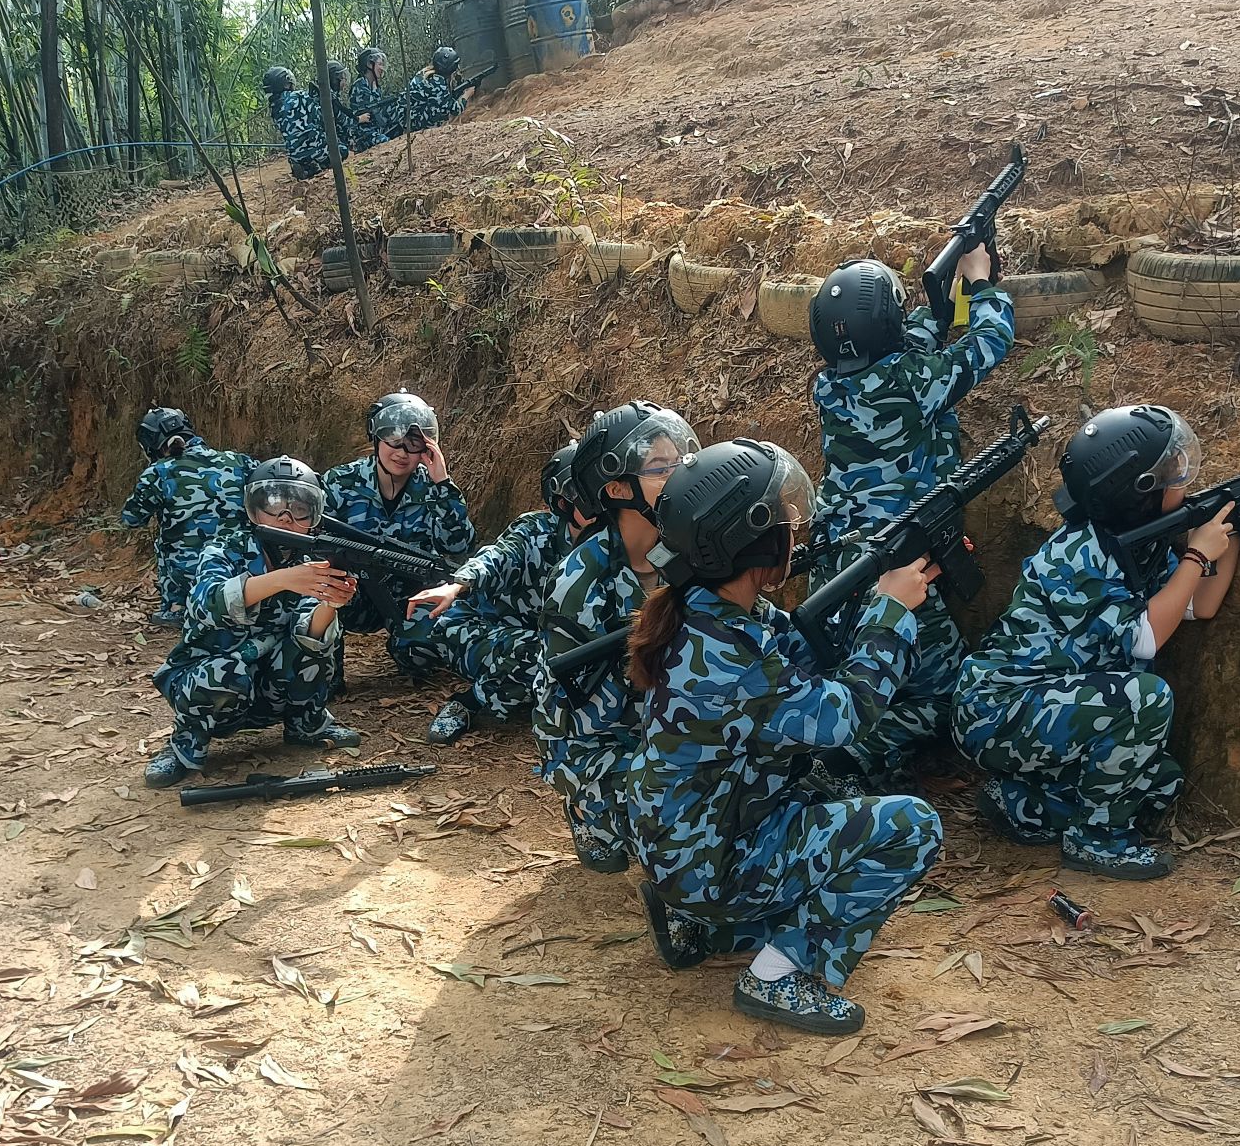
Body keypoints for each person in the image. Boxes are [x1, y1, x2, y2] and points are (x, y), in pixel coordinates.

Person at [623, 439, 944, 1035]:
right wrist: (894, 613)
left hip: (691, 842)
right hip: (711, 860)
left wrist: (869, 590)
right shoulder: (727, 656)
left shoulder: (706, 609)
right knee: (912, 827)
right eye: (783, 518)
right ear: (750, 540)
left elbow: (797, 651)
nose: (796, 528)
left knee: (827, 796)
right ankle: (773, 974)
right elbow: (848, 714)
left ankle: (709, 926)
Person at [951, 405, 1240, 879]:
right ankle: (1095, 842)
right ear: (1137, 492)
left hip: (1048, 706)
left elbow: (1196, 605)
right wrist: (1196, 552)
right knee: (1145, 698)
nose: (1182, 480)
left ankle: (1025, 804)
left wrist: (1234, 526)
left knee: (1160, 784)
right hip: (997, 709)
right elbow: (1146, 638)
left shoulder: (1132, 540)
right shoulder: (1078, 554)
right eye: (1171, 474)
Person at [809, 247, 1016, 784]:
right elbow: (991, 342)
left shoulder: (831, 386)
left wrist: (937, 308)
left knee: (867, 665)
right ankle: (851, 759)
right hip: (895, 564)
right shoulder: (913, 382)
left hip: (838, 557)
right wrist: (980, 284)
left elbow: (906, 354)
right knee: (948, 695)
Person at [534, 402, 699, 876]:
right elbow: (588, 717)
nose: (680, 472)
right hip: (598, 735)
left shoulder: (690, 548)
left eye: (681, 459)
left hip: (669, 717)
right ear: (618, 488)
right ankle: (588, 808)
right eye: (659, 466)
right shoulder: (581, 583)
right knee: (681, 804)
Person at [145, 457, 363, 789]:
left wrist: (330, 604)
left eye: (300, 510)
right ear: (253, 510)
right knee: (223, 671)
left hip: (270, 689)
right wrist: (284, 579)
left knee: (317, 646)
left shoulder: (309, 562)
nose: (286, 519)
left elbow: (310, 635)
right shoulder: (223, 550)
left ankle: (308, 725)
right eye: (273, 506)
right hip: (216, 684)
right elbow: (209, 602)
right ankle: (185, 744)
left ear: (314, 516)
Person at [404, 443, 586, 745]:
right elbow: (496, 557)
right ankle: (469, 702)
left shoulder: (613, 542)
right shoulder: (535, 531)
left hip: (540, 638)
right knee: (547, 654)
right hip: (474, 628)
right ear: (562, 502)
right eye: (583, 495)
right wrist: (458, 585)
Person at [319, 391, 477, 682]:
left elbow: (457, 545)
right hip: (352, 592)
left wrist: (442, 483)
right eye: (394, 441)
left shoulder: (433, 488)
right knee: (317, 595)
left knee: (420, 651)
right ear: (376, 438)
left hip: (410, 595)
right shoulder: (340, 483)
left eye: (413, 445)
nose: (402, 453)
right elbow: (314, 545)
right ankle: (324, 677)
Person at [120, 407, 248, 628]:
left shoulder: (158, 472)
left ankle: (175, 609)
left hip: (189, 571)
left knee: (164, 543)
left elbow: (132, 518)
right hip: (240, 566)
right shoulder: (238, 461)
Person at [262, 66, 329, 179]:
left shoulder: (275, 107)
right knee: (342, 150)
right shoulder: (299, 96)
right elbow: (320, 117)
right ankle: (317, 162)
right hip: (316, 150)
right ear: (286, 83)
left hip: (295, 155)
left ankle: (304, 166)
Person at [403, 46, 475, 133]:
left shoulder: (425, 73)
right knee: (442, 114)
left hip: (408, 117)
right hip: (414, 123)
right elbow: (455, 110)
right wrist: (467, 94)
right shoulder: (438, 83)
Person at [346, 47, 400, 151]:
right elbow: (374, 111)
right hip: (363, 134)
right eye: (379, 64)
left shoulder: (374, 86)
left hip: (376, 129)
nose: (382, 68)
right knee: (386, 142)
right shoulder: (360, 86)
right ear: (370, 65)